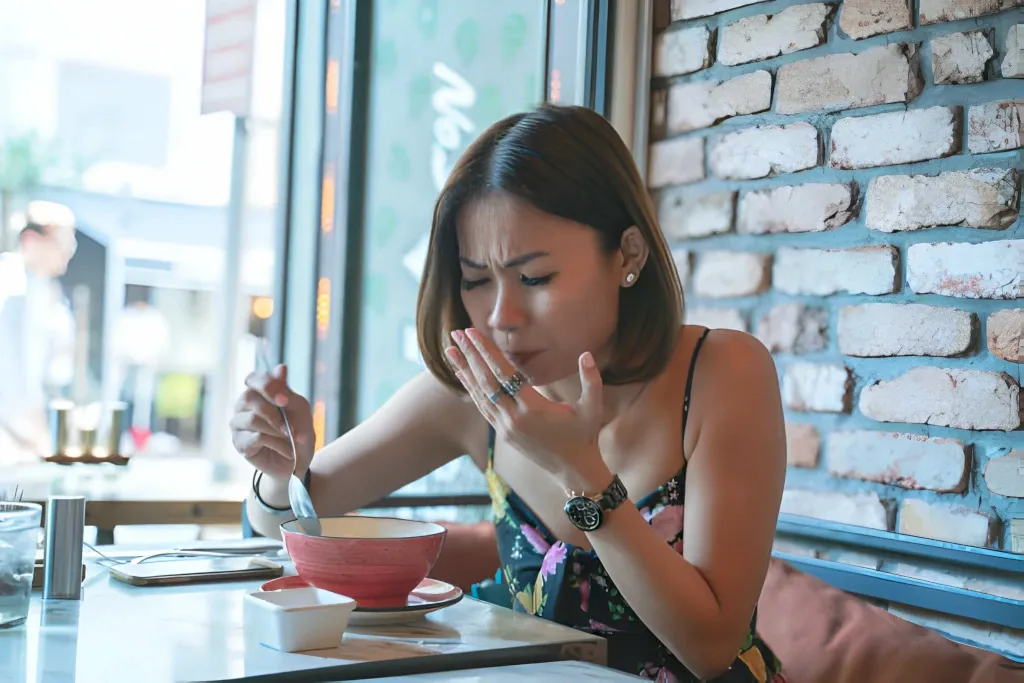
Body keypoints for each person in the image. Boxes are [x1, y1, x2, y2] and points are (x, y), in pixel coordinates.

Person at [232, 105, 788, 683]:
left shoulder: (723, 371)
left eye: (534, 278)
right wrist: (279, 468)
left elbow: (711, 648)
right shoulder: (473, 393)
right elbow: (283, 523)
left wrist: (583, 474)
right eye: (475, 280)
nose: (501, 315)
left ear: (627, 254)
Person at [0, 201, 77, 462]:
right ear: (31, 239)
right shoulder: (11, 288)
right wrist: (35, 437)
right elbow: (16, 375)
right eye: (64, 240)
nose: (69, 251)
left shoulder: (47, 294)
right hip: (12, 443)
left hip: (26, 440)